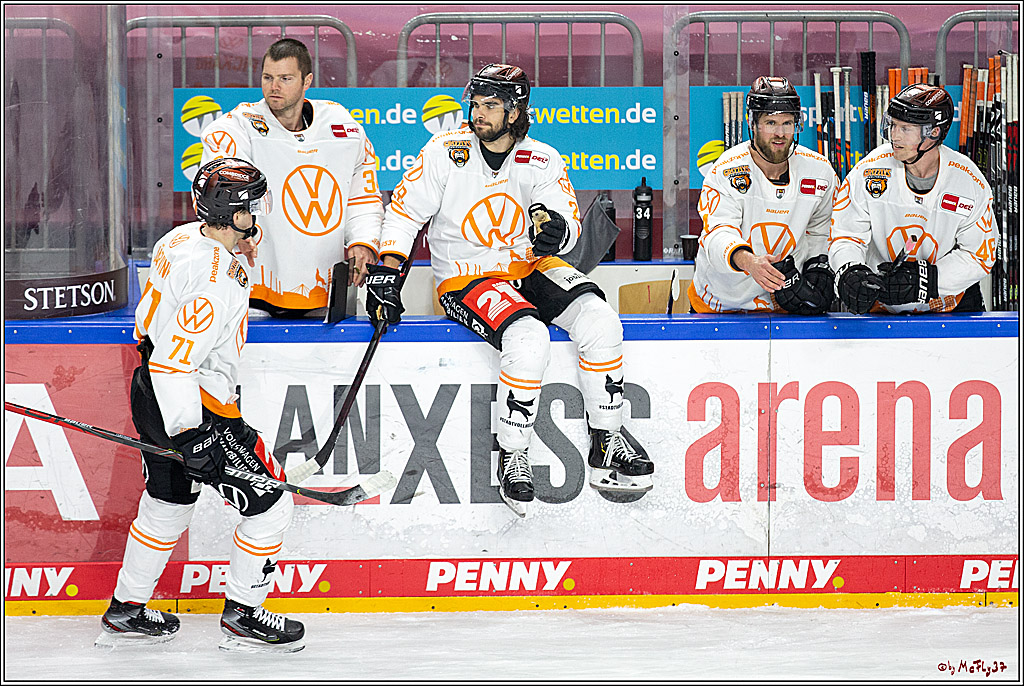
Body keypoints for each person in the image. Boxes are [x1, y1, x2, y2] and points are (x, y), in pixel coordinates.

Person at [368, 63, 654, 514]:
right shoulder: (445, 150)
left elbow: (567, 221)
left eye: (490, 106)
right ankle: (513, 453)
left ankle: (606, 438)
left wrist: (556, 230)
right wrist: (388, 271)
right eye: (475, 104)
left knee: (600, 319)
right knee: (528, 337)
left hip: (528, 265)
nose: (477, 114)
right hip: (466, 274)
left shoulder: (541, 157)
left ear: (516, 109)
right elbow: (404, 213)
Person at [98, 158, 304, 653]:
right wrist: (194, 436)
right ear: (233, 213)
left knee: (167, 504)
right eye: (251, 205)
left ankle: (127, 606)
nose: (258, 212)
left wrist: (241, 252)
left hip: (150, 391)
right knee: (272, 507)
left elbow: (165, 347)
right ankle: (245, 613)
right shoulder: (213, 280)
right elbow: (176, 361)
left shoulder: (183, 237)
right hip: (192, 405)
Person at [200, 38, 383, 318]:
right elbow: (214, 186)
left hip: (325, 290)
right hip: (252, 289)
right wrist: (236, 228)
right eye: (268, 77)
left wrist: (363, 242)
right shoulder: (237, 126)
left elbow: (362, 196)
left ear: (306, 80)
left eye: (285, 78)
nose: (274, 87)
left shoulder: (342, 126)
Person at [830, 83, 997, 314]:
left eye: (905, 129)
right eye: (893, 125)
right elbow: (846, 236)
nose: (894, 137)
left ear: (934, 132)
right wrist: (850, 270)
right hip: (882, 304)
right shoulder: (870, 169)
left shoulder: (968, 181)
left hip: (950, 305)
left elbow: (980, 254)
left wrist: (930, 281)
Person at [689, 76, 839, 315]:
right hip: (722, 304)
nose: (780, 134)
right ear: (753, 123)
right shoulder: (726, 170)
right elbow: (718, 233)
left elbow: (821, 230)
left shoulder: (819, 172)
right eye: (770, 123)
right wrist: (749, 261)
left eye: (787, 123)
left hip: (785, 303)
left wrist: (817, 267)